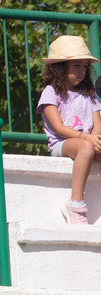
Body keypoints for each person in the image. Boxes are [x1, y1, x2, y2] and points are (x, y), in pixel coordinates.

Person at [37, 34, 101, 223]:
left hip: (87, 142)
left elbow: (97, 124)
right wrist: (88, 139)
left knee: (92, 148)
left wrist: (95, 138)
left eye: (84, 66)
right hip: (62, 144)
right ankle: (76, 203)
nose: (81, 71)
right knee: (86, 147)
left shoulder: (89, 95)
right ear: (60, 68)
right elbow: (58, 128)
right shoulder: (51, 93)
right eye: (76, 65)